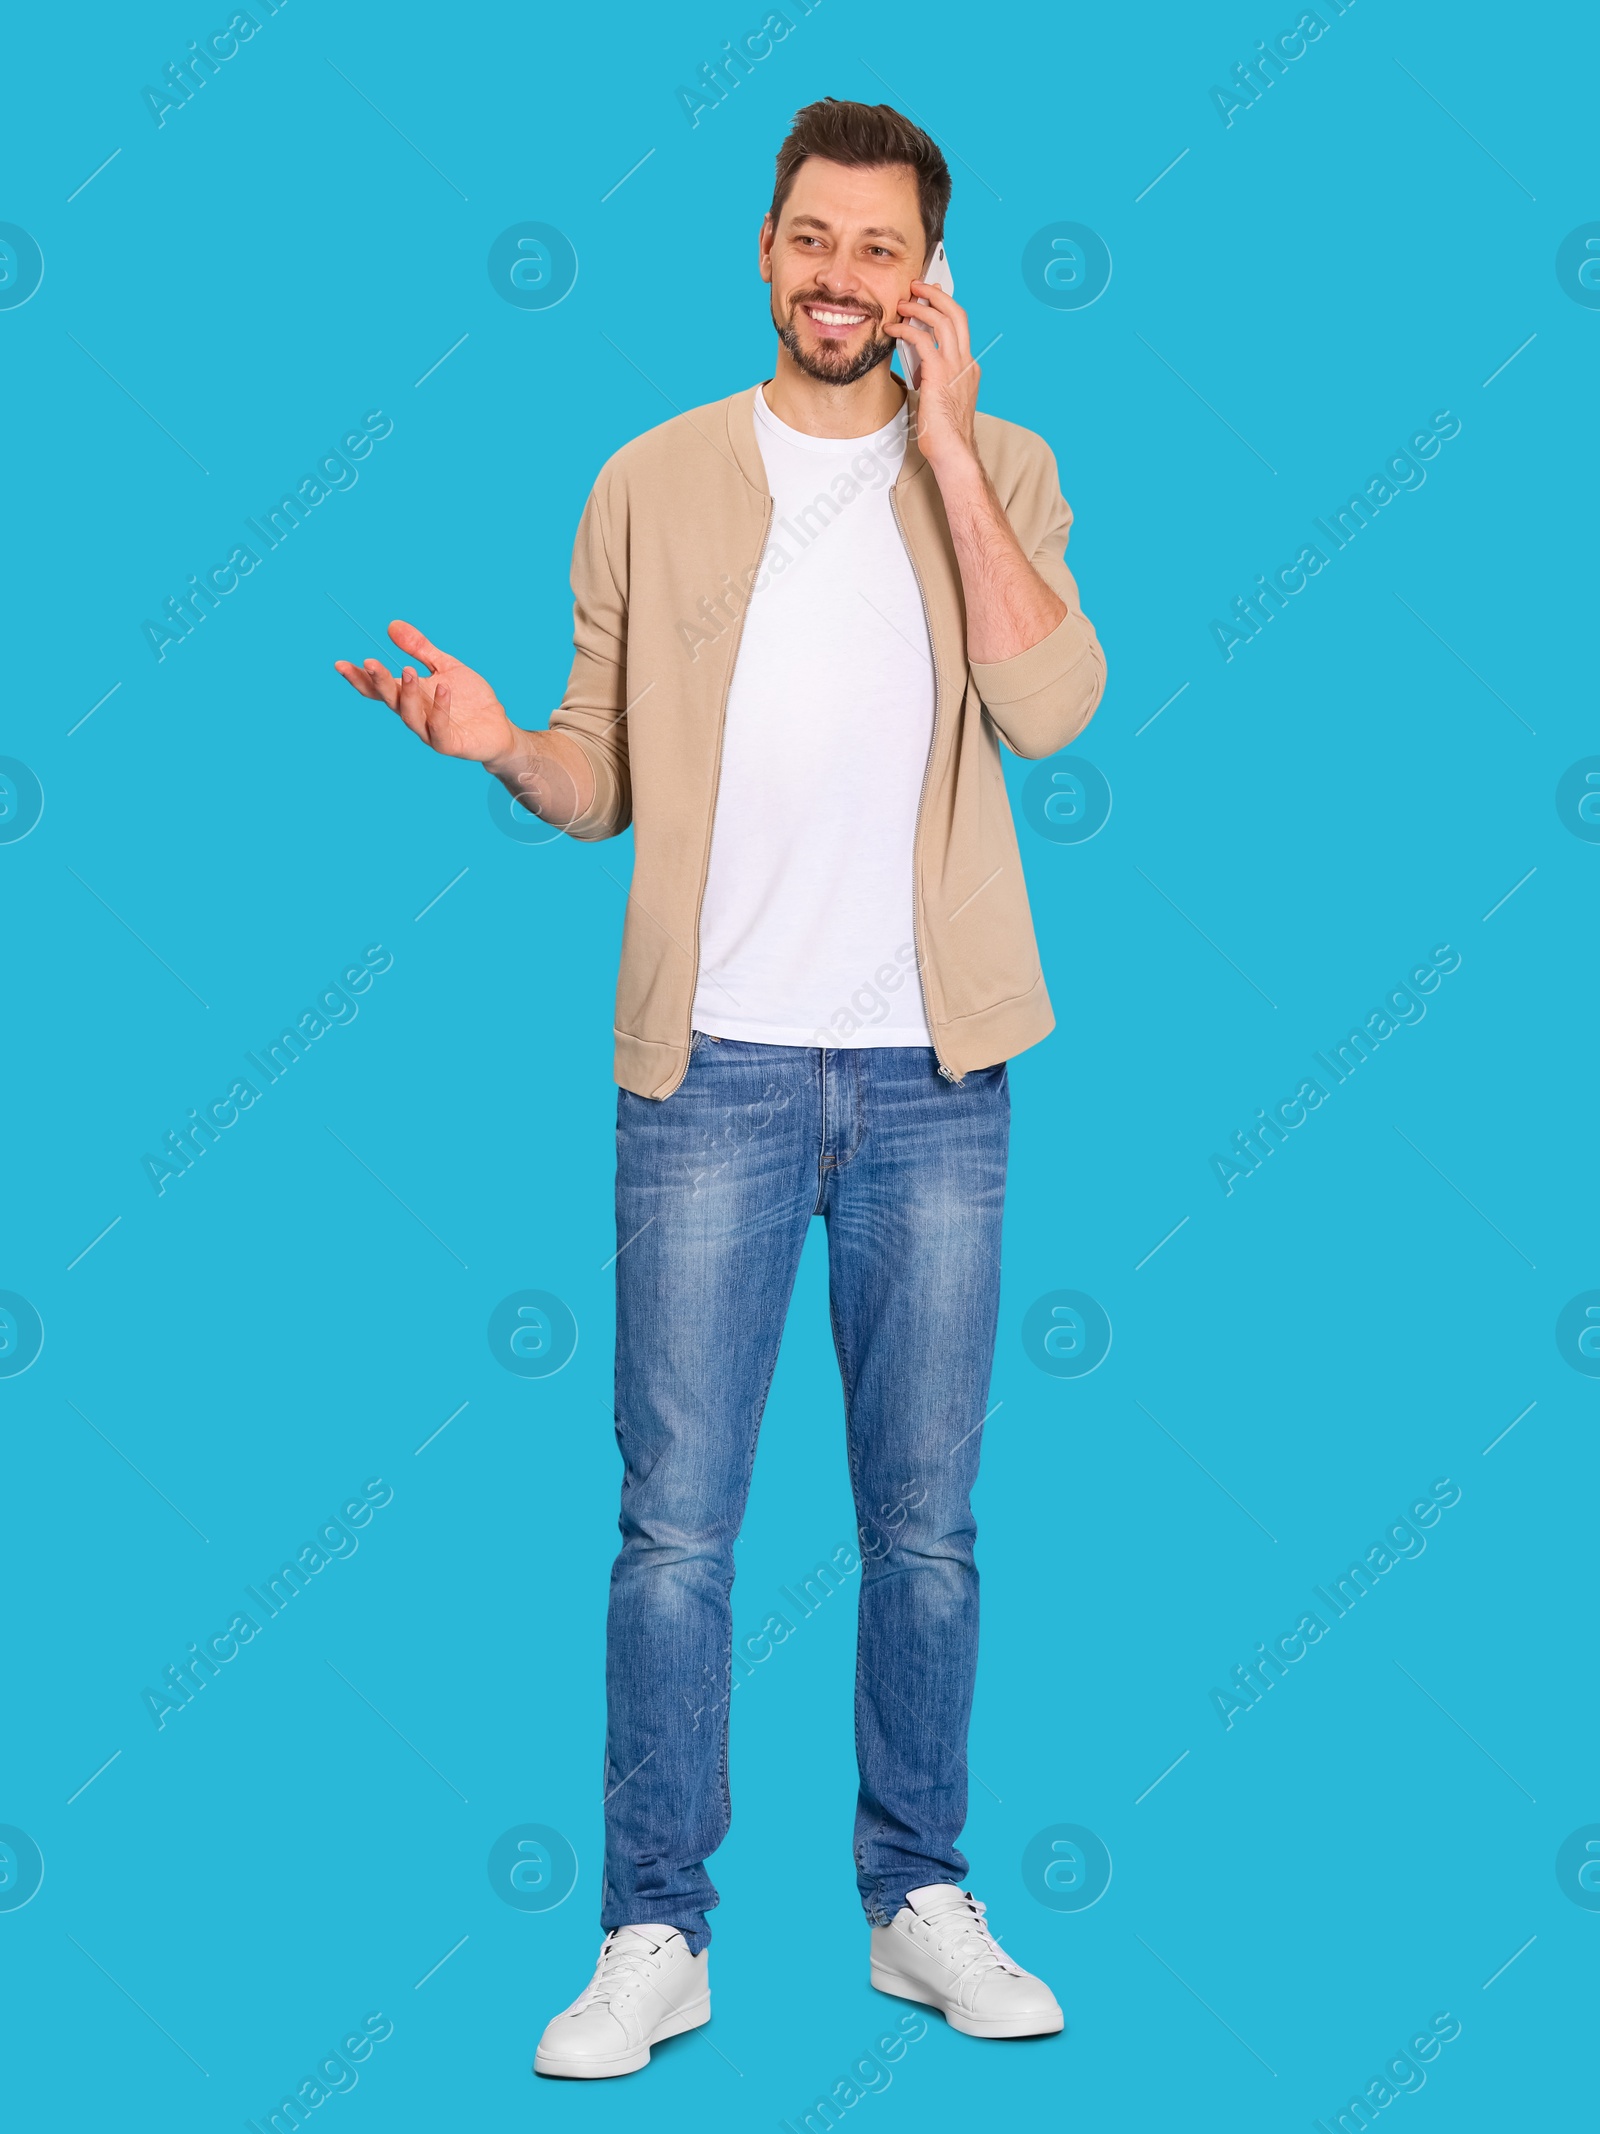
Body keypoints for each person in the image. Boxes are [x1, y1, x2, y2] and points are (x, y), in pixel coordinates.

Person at [335, 96, 1105, 2081]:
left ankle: (915, 1896)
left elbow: (1051, 700)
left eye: (879, 249)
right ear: (761, 247)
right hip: (713, 1073)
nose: (837, 274)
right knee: (674, 1523)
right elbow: (604, 775)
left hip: (936, 1071)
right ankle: (651, 1927)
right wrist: (502, 744)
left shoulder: (998, 465)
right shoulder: (650, 482)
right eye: (808, 237)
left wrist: (944, 447)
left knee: (921, 1522)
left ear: (925, 279)